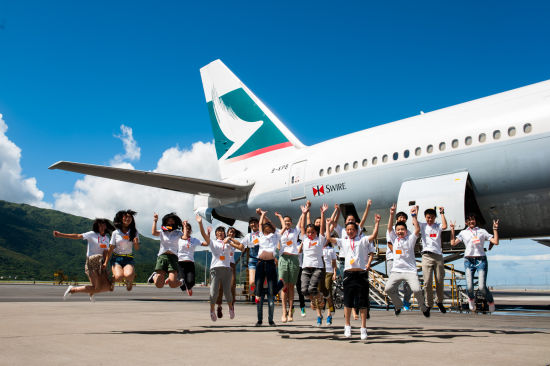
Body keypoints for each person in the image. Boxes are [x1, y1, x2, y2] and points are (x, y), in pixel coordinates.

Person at [326, 214, 380, 340]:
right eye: (348, 230)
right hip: (349, 274)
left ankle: (363, 328)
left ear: (357, 230)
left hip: (361, 274)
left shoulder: (363, 240)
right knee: (348, 301)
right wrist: (329, 225)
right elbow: (329, 238)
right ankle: (347, 326)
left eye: (352, 230)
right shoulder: (344, 241)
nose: (350, 231)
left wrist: (377, 223)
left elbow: (374, 236)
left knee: (363, 302)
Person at [385, 205, 430, 318]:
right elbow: (389, 228)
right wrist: (391, 214)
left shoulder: (410, 239)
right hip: (397, 271)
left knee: (417, 290)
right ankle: (398, 305)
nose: (400, 231)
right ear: (396, 232)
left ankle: (423, 307)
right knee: (388, 289)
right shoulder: (394, 239)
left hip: (410, 271)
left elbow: (418, 229)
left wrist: (414, 216)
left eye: (402, 230)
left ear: (406, 231)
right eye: (398, 230)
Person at [54, 218, 115, 301]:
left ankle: (74, 290)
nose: (101, 226)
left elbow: (107, 253)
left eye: (103, 224)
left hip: (101, 264)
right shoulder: (92, 234)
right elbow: (78, 236)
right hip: (92, 262)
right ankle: (77, 290)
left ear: (106, 226)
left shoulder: (107, 239)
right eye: (99, 225)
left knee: (107, 287)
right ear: (97, 226)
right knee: (97, 286)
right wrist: (61, 234)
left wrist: (106, 262)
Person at [451, 213, 499, 312]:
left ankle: (490, 301)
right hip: (468, 260)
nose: (471, 222)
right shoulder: (463, 232)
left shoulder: (482, 231)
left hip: (481, 260)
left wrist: (495, 229)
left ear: (475, 221)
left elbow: (495, 241)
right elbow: (453, 243)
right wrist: (452, 229)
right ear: (466, 222)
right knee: (469, 287)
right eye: (469, 220)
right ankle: (471, 299)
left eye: (473, 220)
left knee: (481, 287)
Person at [196, 215, 235, 321]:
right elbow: (204, 235)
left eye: (222, 232)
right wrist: (200, 223)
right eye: (219, 232)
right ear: (216, 234)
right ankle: (212, 310)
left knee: (228, 292)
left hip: (227, 270)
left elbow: (240, 247)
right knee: (214, 293)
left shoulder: (229, 243)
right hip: (216, 270)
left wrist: (230, 239)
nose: (221, 233)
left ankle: (231, 308)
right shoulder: (213, 243)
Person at [300, 203, 329, 327]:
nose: (310, 234)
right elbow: (302, 226)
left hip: (317, 267)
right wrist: (304, 213)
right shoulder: (305, 239)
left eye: (312, 232)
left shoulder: (320, 239)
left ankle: (320, 297)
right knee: (303, 290)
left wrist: (322, 213)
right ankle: (316, 300)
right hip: (306, 268)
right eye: (308, 232)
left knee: (312, 289)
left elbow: (322, 227)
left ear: (315, 233)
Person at [274, 211, 303, 323]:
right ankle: (283, 312)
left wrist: (303, 213)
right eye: (285, 222)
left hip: (294, 259)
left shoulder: (295, 231)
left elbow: (300, 222)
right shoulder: (279, 232)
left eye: (289, 221)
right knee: (284, 286)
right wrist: (280, 217)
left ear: (291, 223)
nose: (287, 223)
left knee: (291, 286)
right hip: (283, 259)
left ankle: (290, 311)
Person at [419, 207, 448, 313]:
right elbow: (415, 224)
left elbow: (445, 226)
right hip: (426, 256)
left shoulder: (438, 226)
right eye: (427, 218)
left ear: (435, 218)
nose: (429, 219)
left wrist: (442, 213)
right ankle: (428, 304)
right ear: (425, 218)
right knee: (427, 282)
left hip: (438, 256)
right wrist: (414, 213)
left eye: (431, 218)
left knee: (440, 280)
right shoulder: (423, 226)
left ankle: (439, 301)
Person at [148, 212, 184, 289]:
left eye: (172, 221)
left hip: (173, 257)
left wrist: (184, 226)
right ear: (166, 222)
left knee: (172, 284)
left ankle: (182, 282)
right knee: (159, 285)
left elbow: (185, 238)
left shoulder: (178, 233)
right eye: (168, 221)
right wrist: (155, 220)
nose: (170, 222)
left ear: (175, 222)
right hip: (162, 256)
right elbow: (153, 233)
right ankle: (154, 276)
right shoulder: (162, 231)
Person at [386, 211, 413, 310]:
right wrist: (398, 253)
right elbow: (389, 244)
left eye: (403, 218)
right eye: (400, 217)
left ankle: (406, 301)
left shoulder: (408, 232)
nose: (402, 219)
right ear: (396, 219)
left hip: (405, 260)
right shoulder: (392, 230)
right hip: (392, 259)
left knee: (409, 282)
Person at [108, 210, 140, 291]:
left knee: (128, 275)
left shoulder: (134, 232)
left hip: (128, 258)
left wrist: (136, 243)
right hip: (116, 258)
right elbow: (111, 248)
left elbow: (136, 248)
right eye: (125, 217)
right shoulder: (115, 233)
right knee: (119, 277)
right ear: (121, 219)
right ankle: (113, 280)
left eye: (130, 217)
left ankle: (130, 279)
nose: (128, 218)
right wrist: (105, 262)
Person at [215, 226, 241, 319]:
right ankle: (219, 306)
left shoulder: (232, 241)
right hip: (222, 264)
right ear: (226, 233)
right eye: (230, 232)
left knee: (232, 285)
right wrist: (228, 239)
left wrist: (231, 240)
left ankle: (231, 306)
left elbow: (241, 246)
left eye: (233, 232)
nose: (231, 233)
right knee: (220, 287)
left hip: (231, 265)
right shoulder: (223, 240)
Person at [177, 221, 207, 296]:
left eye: (189, 229)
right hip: (180, 263)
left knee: (191, 282)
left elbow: (206, 243)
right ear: (182, 230)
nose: (187, 230)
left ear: (191, 231)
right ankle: (183, 285)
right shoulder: (178, 239)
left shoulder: (194, 240)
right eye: (186, 229)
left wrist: (208, 234)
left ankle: (189, 287)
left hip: (190, 263)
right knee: (182, 281)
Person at [241, 217, 261, 297]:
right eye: (251, 223)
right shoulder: (248, 236)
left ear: (258, 224)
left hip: (262, 260)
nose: (253, 224)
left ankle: (259, 294)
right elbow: (241, 246)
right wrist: (232, 242)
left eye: (255, 222)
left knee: (263, 282)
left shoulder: (262, 234)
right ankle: (254, 293)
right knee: (252, 282)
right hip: (252, 260)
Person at [322, 239, 338, 326]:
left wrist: (335, 273)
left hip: (329, 271)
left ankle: (329, 314)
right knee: (320, 291)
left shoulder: (331, 250)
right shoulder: (318, 247)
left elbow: (334, 263)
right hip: (320, 271)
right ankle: (322, 309)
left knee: (328, 291)